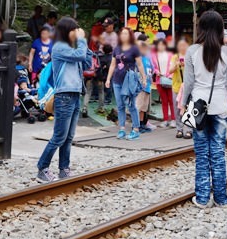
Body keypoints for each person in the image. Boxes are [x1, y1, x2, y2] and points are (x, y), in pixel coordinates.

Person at [180, 10, 227, 208]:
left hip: (198, 106)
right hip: (220, 106)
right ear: (221, 29)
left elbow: (188, 83)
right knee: (218, 152)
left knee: (202, 153)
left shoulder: (192, 51)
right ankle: (221, 198)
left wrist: (182, 103)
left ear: (201, 28)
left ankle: (203, 198)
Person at [36, 17, 92, 182]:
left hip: (75, 94)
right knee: (59, 136)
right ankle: (42, 167)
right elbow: (80, 55)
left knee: (69, 137)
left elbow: (87, 61)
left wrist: (83, 44)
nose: (77, 32)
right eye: (75, 29)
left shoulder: (72, 48)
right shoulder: (60, 47)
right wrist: (82, 40)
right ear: (68, 31)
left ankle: (63, 168)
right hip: (64, 95)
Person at [105, 27, 146, 140]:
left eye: (126, 34)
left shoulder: (134, 49)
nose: (123, 36)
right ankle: (122, 129)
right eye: (122, 34)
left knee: (131, 105)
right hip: (117, 80)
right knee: (120, 105)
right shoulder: (116, 49)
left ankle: (136, 129)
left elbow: (140, 64)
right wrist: (108, 79)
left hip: (129, 82)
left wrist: (144, 78)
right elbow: (113, 65)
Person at [170, 39, 191, 138]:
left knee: (188, 108)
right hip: (177, 87)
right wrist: (176, 65)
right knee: (177, 109)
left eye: (184, 45)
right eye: (180, 45)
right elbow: (169, 71)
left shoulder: (190, 56)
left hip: (188, 87)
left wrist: (186, 65)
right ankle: (179, 129)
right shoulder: (175, 57)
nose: (182, 47)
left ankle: (189, 129)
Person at [152, 38, 175, 128]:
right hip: (160, 80)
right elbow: (153, 67)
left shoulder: (171, 55)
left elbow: (174, 67)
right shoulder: (154, 55)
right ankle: (165, 120)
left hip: (169, 80)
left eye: (162, 45)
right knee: (164, 101)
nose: (160, 46)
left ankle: (173, 119)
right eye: (159, 45)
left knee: (171, 101)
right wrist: (157, 72)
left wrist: (169, 75)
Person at [136, 37, 154, 133]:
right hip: (140, 85)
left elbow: (152, 69)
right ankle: (136, 124)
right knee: (138, 105)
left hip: (147, 85)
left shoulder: (147, 58)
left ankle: (142, 123)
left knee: (144, 107)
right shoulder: (138, 58)